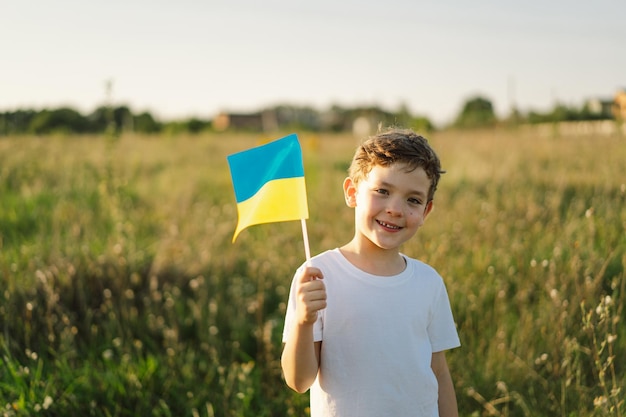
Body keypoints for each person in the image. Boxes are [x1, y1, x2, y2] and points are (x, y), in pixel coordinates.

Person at [281, 128, 461, 417]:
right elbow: (298, 381)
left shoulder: (429, 282)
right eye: (382, 191)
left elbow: (438, 372)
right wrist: (304, 320)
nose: (394, 209)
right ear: (352, 193)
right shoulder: (316, 275)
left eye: (412, 200)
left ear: (426, 212)